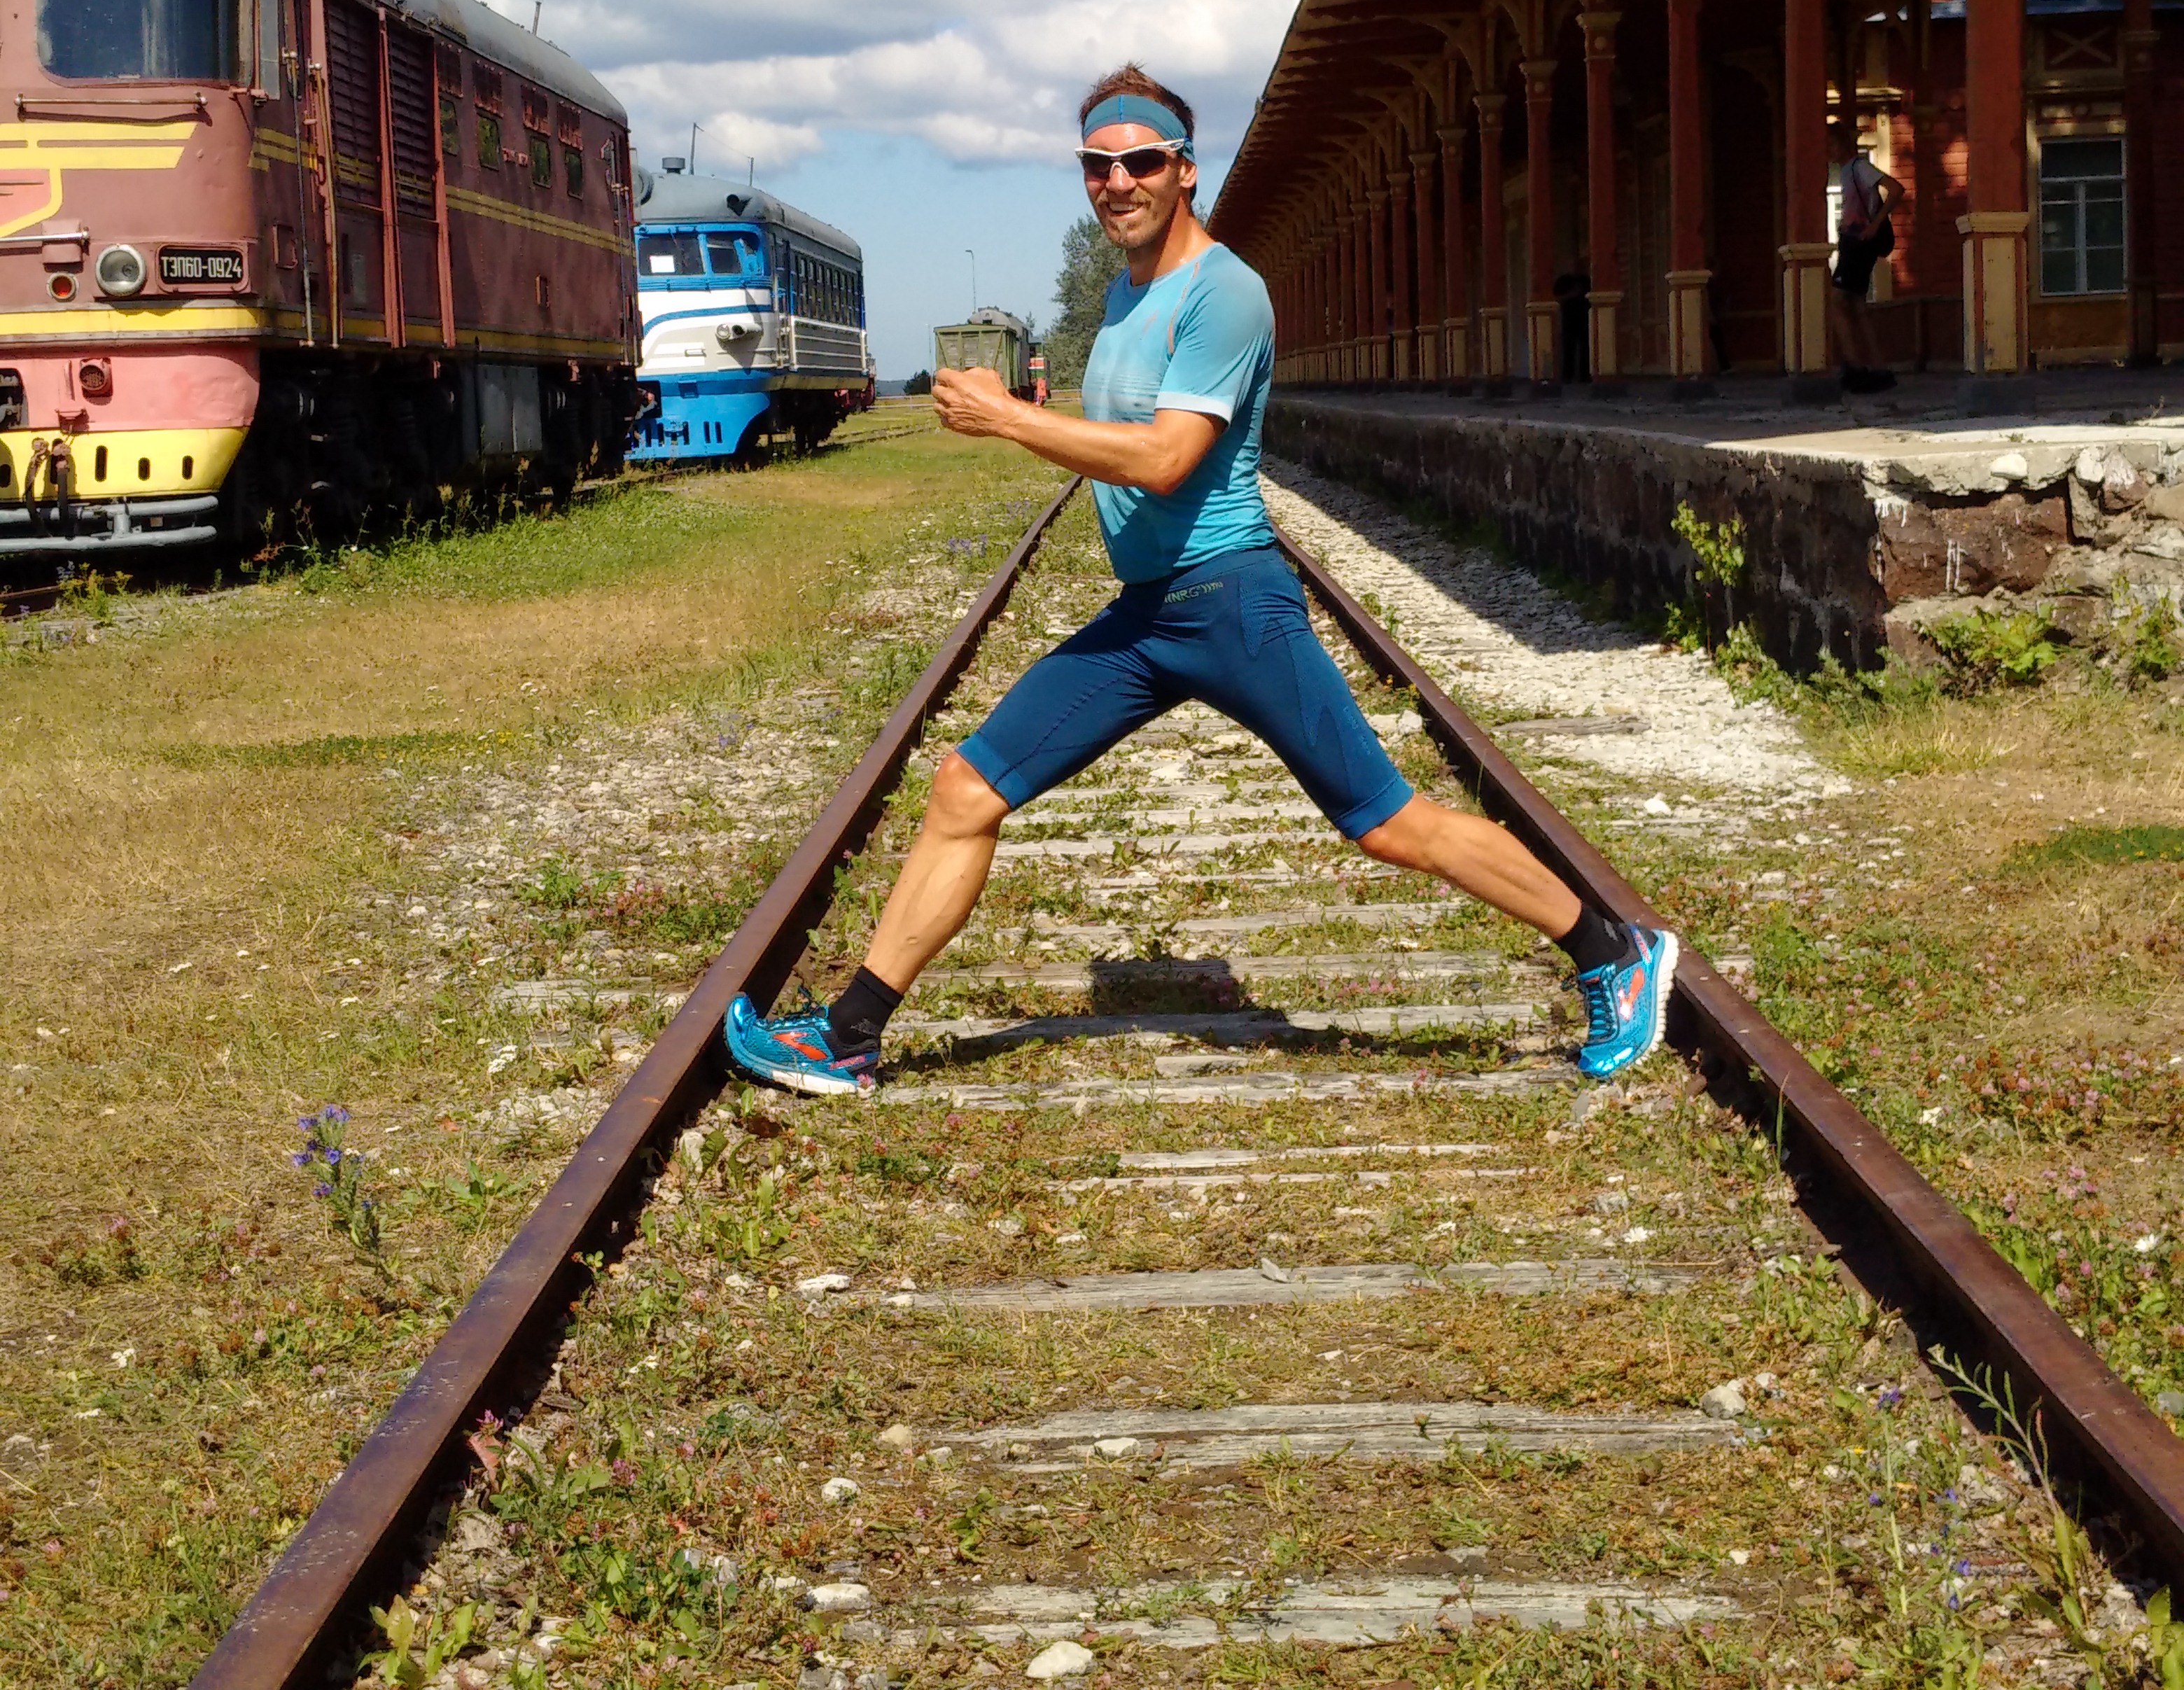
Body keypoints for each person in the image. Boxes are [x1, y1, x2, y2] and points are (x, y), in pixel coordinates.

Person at [724, 64, 1677, 1096]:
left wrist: (1009, 419)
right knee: (966, 788)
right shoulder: (1126, 293)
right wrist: (1026, 417)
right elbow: (1118, 442)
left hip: (1229, 603)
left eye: (1140, 161)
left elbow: (1167, 458)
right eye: (1097, 165)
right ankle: (851, 1036)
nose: (1117, 182)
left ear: (1184, 170)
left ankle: (1614, 953)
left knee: (1387, 823)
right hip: (1147, 618)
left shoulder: (1227, 293)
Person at [1830, 125, 1905, 395]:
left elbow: (1895, 189)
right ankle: (1879, 368)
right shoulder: (1846, 171)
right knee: (1857, 305)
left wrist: (1874, 225)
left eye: (1831, 144)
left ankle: (1855, 365)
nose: (1828, 150)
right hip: (1852, 241)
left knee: (1836, 300)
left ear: (1842, 143)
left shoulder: (1859, 167)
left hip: (1859, 243)